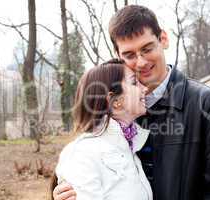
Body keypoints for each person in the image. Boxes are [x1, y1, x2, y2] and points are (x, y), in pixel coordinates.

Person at [53, 5, 210, 200]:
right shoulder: (117, 116)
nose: (141, 62)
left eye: (147, 49)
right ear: (118, 55)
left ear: (163, 39)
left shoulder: (206, 103)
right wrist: (66, 192)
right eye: (130, 55)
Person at [50, 59, 153, 200]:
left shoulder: (130, 146)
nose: (145, 88)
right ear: (114, 101)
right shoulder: (82, 154)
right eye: (134, 83)